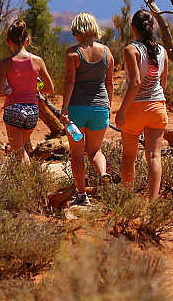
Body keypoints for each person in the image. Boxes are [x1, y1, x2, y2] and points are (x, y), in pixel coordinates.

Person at [61, 12, 115, 206]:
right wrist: (109, 106)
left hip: (76, 109)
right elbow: (109, 83)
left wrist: (64, 107)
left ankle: (82, 196)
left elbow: (69, 82)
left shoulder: (72, 53)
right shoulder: (108, 53)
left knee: (77, 154)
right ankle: (103, 173)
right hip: (100, 109)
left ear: (77, 30)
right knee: (95, 151)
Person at [115, 9, 168, 199]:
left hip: (135, 109)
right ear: (152, 27)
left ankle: (127, 201)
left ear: (132, 27)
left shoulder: (131, 50)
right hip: (158, 108)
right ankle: (152, 203)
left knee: (129, 156)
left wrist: (122, 111)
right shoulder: (162, 51)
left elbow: (136, 82)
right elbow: (163, 83)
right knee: (154, 156)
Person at [0, 20, 55, 164]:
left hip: (13, 109)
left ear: (8, 41)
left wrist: (10, 88)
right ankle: (20, 182)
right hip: (32, 111)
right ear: (28, 40)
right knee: (19, 149)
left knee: (18, 152)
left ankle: (29, 183)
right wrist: (34, 87)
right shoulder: (37, 61)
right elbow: (50, 89)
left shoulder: (5, 64)